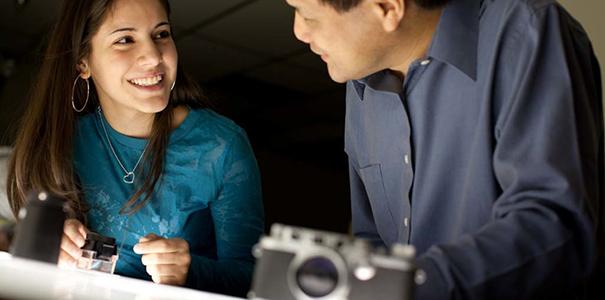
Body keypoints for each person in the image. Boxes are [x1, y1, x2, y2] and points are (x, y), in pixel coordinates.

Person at [284, 0, 603, 299]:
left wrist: (407, 286)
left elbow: (554, 229)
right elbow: (373, 244)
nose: (299, 31)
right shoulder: (362, 82)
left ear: (387, 8)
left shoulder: (527, 30)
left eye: (308, 14)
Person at [6, 0, 264, 297]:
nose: (153, 56)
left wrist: (189, 271)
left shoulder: (222, 145)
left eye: (161, 34)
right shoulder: (59, 144)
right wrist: (50, 246)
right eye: (125, 39)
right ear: (83, 62)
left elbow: (251, 277)